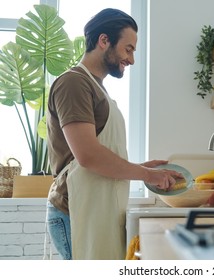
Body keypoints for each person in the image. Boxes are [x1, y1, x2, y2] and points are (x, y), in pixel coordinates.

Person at [45, 8, 181, 260]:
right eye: (128, 49)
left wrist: (140, 168)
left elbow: (94, 157)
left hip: (93, 208)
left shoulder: (97, 89)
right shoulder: (74, 83)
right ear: (104, 40)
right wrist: (146, 174)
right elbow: (88, 156)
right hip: (74, 211)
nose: (131, 60)